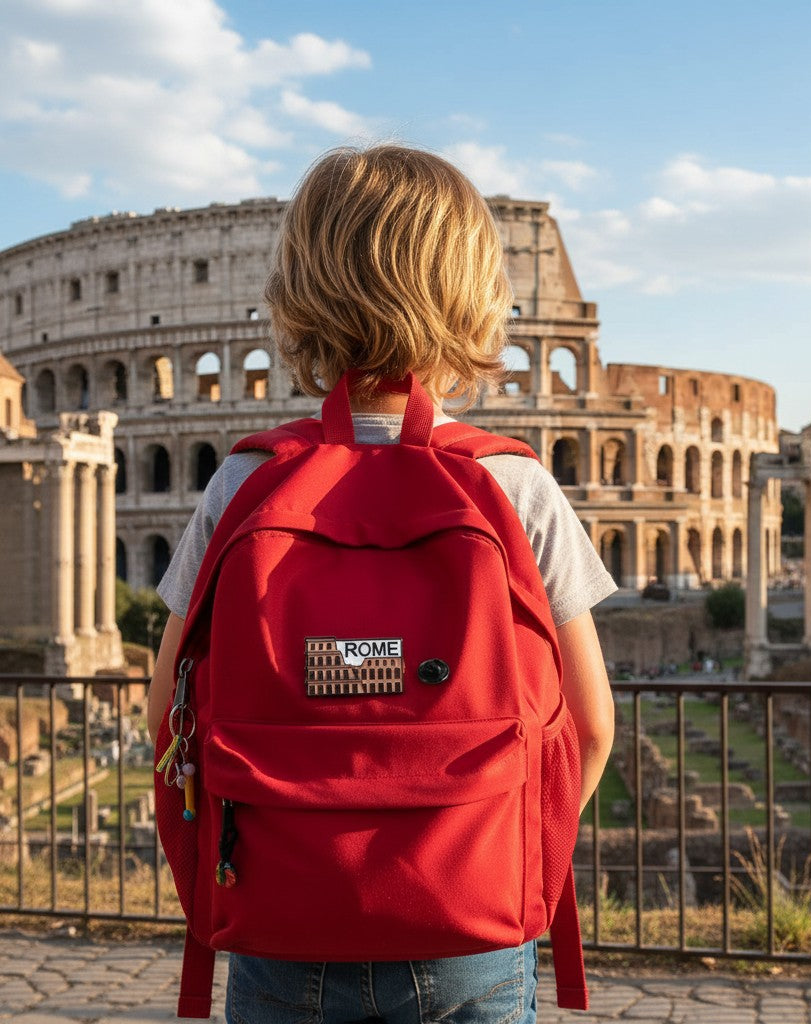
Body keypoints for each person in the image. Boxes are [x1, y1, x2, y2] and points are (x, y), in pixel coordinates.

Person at [147, 144, 616, 1024]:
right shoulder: (514, 485)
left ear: (296, 294)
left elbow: (165, 716)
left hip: (281, 922)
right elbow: (590, 730)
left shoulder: (244, 481)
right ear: (478, 299)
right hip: (470, 921)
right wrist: (499, 852)